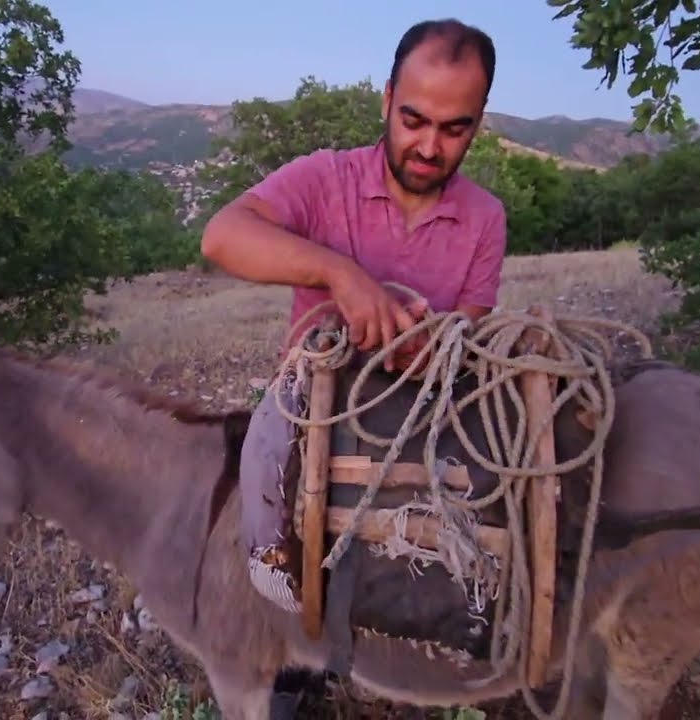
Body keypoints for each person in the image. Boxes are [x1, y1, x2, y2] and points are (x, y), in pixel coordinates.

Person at [199, 18, 508, 612]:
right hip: (312, 407)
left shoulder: (485, 217)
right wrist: (343, 275)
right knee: (272, 529)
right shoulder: (325, 178)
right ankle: (288, 625)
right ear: (387, 100)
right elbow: (222, 237)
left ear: (478, 123)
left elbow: (470, 333)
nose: (428, 147)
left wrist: (429, 349)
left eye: (453, 129)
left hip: (420, 418)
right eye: (413, 120)